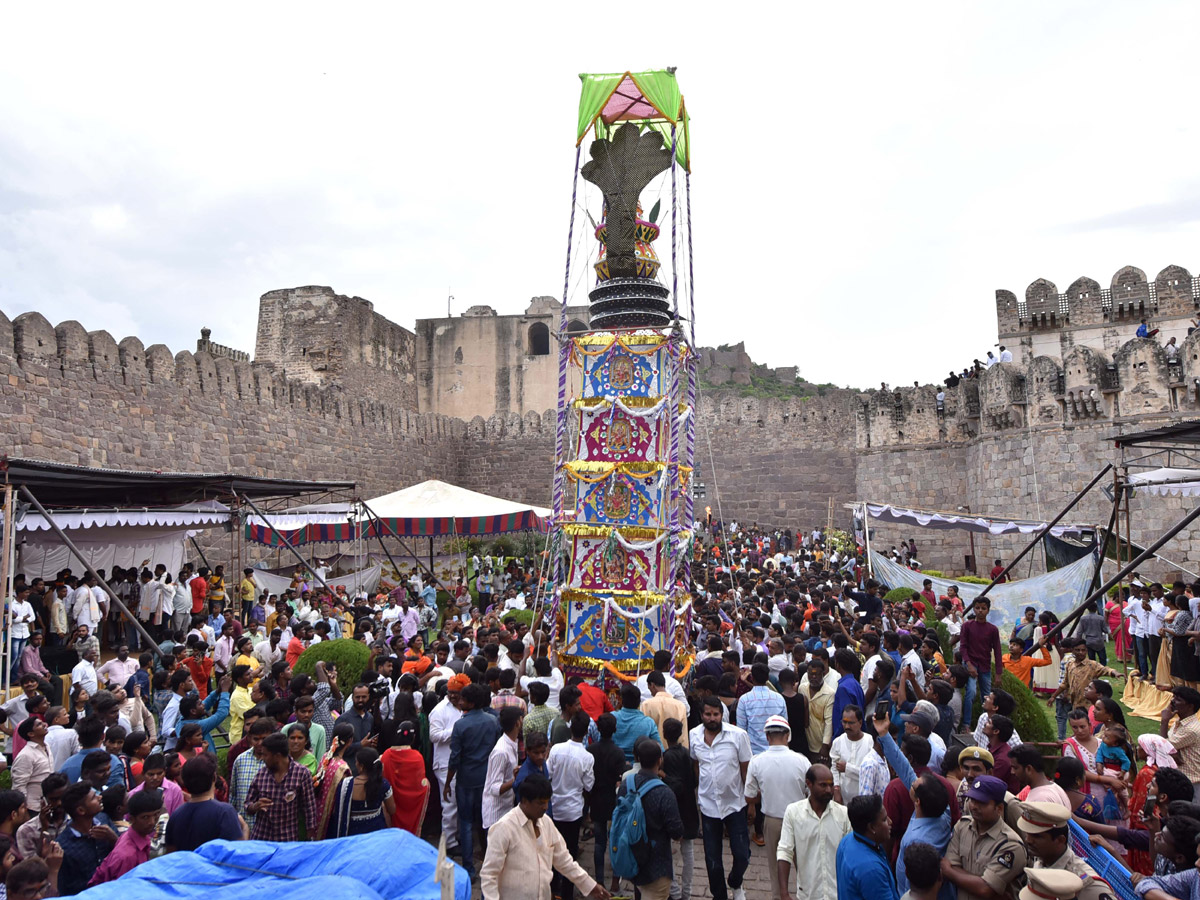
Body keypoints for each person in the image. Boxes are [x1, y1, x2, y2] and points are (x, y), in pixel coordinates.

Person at [478, 774, 609, 900]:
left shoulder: (546, 823)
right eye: (540, 803)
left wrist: (590, 886)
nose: (545, 807)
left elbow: (564, 861)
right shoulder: (503, 828)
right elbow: (489, 875)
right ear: (524, 801)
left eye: (547, 802)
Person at [689, 696, 751, 900]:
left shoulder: (738, 736)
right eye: (708, 714)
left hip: (735, 804)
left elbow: (745, 769)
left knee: (742, 854)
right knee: (712, 859)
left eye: (716, 714)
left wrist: (750, 802)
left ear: (722, 715)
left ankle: (736, 881)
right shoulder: (694, 736)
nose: (712, 718)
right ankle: (719, 895)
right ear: (701, 715)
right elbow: (696, 765)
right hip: (708, 806)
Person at [744, 714, 809, 900]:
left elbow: (749, 795)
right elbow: (810, 792)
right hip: (799, 819)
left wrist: (764, 794)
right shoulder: (802, 760)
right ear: (787, 735)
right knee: (803, 866)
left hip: (772, 820)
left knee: (775, 866)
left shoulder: (757, 761)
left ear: (767, 737)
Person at [613, 739, 682, 900]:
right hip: (657, 867)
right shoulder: (665, 793)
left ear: (637, 759)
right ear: (660, 760)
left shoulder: (626, 785)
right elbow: (676, 831)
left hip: (634, 859)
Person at [447, 682, 502, 879]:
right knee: (484, 822)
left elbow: (454, 758)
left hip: (466, 779)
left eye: (462, 699)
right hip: (486, 777)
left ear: (470, 702)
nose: (459, 701)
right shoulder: (493, 721)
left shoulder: (461, 725)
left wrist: (447, 782)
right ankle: (490, 863)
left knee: (466, 823)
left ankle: (469, 869)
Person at [941, 774, 1027, 900]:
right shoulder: (962, 826)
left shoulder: (1011, 844)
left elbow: (984, 889)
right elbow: (951, 864)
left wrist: (949, 871)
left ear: (999, 808)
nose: (974, 806)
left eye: (981, 802)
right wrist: (978, 882)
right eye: (972, 800)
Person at [777, 764, 849, 900]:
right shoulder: (793, 813)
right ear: (809, 784)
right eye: (823, 785)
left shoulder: (843, 814)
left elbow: (851, 855)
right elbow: (785, 852)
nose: (829, 790)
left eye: (831, 785)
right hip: (808, 895)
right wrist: (784, 893)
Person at [1016, 802, 1109, 900]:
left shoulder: (1087, 884)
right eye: (1028, 834)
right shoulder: (1041, 861)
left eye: (1036, 836)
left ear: (1060, 840)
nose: (1028, 840)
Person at [546, 712, 594, 900]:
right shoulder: (586, 757)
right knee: (569, 853)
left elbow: (548, 772)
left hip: (555, 808)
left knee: (552, 848)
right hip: (573, 811)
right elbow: (588, 785)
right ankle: (566, 893)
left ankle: (552, 887)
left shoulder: (557, 750)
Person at [244, 731, 318, 841]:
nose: (262, 758)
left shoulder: (301, 774)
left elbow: (309, 807)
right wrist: (256, 806)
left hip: (287, 839)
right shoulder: (261, 775)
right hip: (261, 839)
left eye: (265, 755)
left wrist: (310, 834)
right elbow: (247, 805)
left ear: (277, 756)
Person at [164, 755, 243, 851]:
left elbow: (171, 853)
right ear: (214, 777)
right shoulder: (225, 812)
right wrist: (245, 830)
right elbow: (237, 854)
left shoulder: (176, 815)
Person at [587, 712, 628, 893]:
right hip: (612, 799)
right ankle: (615, 880)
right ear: (615, 730)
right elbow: (620, 777)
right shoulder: (618, 753)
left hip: (595, 798)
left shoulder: (591, 750)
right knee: (616, 839)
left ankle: (599, 880)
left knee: (599, 841)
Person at [85, 788, 161, 884]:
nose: (152, 822)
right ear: (132, 819)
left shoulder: (138, 837)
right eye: (145, 817)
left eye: (156, 815)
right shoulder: (127, 856)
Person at [56, 781, 118, 895]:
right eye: (94, 797)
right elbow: (63, 887)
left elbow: (123, 852)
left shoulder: (104, 820)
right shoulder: (63, 847)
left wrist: (113, 838)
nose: (100, 797)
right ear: (81, 810)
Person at [660, 717, 697, 900]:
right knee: (688, 851)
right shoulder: (687, 754)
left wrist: (663, 775)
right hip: (689, 807)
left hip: (674, 809)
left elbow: (676, 786)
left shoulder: (667, 757)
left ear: (665, 734)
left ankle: (674, 891)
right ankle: (687, 892)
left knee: (669, 850)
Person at [836, 794, 899, 900]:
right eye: (884, 820)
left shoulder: (847, 841)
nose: (890, 822)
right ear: (871, 827)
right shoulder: (871, 869)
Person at [328, 747, 395, 837]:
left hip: (352, 836)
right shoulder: (383, 784)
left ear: (362, 766)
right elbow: (392, 810)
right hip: (376, 835)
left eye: (356, 762)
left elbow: (336, 811)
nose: (355, 764)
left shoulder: (346, 785)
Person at [379, 719, 429, 835]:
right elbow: (420, 785)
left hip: (392, 805)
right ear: (414, 737)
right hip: (412, 804)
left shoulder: (386, 756)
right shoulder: (417, 758)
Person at [960, 598, 1003, 730]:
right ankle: (966, 724)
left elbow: (997, 651)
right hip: (970, 663)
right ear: (973, 608)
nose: (980, 611)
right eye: (977, 608)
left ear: (988, 610)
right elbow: (963, 647)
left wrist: (998, 673)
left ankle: (986, 725)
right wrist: (968, 664)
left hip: (985, 665)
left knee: (987, 696)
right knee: (971, 692)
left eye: (983, 608)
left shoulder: (992, 629)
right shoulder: (967, 626)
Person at [1160, 686, 1200, 799]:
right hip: (1180, 779)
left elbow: (1163, 746)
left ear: (1190, 706)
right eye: (1173, 697)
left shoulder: (1191, 729)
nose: (1172, 701)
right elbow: (1168, 746)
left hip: (1192, 782)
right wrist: (1172, 751)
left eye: (1178, 699)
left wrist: (1164, 721)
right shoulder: (1179, 723)